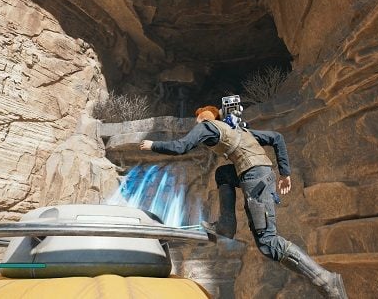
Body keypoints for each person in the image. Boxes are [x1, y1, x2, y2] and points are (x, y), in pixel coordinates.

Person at [139, 105, 348, 298]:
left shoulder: (206, 126)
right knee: (223, 173)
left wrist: (152, 145)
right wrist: (284, 173)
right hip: (259, 175)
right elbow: (276, 137)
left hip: (255, 179)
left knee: (268, 242)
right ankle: (226, 225)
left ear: (203, 116)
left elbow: (181, 146)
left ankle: (326, 281)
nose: (196, 123)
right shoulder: (239, 131)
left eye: (197, 119)